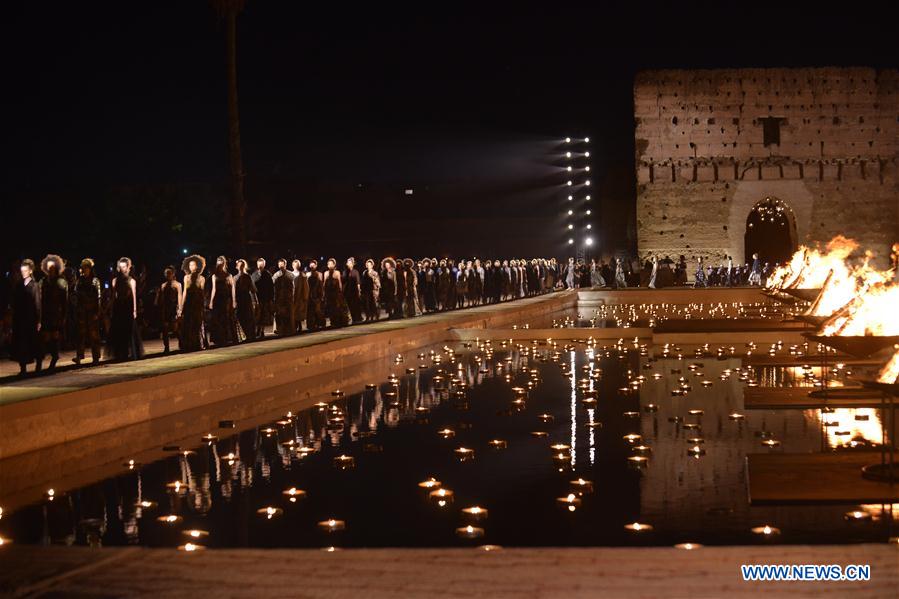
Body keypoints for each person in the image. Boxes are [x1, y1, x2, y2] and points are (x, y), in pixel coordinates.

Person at [108, 257, 144, 361]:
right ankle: (121, 354)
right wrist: (111, 308)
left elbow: (134, 296)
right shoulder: (115, 280)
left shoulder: (131, 280)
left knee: (129, 330)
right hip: (118, 307)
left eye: (124, 266)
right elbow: (113, 296)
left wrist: (134, 310)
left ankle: (131, 353)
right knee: (119, 331)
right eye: (120, 267)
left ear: (128, 267)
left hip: (128, 307)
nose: (122, 269)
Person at [11, 259, 41, 375]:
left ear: (30, 271)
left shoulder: (34, 285)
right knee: (21, 343)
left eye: (25, 270)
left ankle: (38, 364)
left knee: (33, 342)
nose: (23, 273)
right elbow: (14, 301)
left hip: (30, 318)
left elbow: (37, 303)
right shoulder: (18, 285)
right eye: (22, 270)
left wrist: (38, 320)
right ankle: (23, 368)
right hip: (20, 319)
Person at [37, 254, 67, 372]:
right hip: (45, 314)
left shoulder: (61, 282)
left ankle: (54, 358)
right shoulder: (43, 282)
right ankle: (40, 361)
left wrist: (63, 316)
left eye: (52, 267)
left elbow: (64, 301)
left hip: (55, 314)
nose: (50, 269)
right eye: (49, 267)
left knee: (54, 337)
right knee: (44, 338)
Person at [73, 258, 103, 364]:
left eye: (86, 268)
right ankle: (79, 356)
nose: (85, 270)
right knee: (80, 335)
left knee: (94, 335)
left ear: (90, 269)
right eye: (83, 268)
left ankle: (96, 357)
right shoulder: (79, 281)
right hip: (82, 311)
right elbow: (75, 295)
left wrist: (97, 311)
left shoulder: (95, 281)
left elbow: (98, 297)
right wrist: (77, 309)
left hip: (92, 311)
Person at [208, 256, 238, 347]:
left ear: (224, 263)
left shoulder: (228, 275)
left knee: (226, 317)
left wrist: (234, 300)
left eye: (221, 261)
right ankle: (219, 339)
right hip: (217, 299)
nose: (219, 263)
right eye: (218, 261)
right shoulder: (214, 276)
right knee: (217, 318)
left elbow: (232, 288)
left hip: (226, 298)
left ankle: (227, 338)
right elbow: (214, 289)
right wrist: (211, 301)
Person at [180, 254, 206, 352]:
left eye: (193, 265)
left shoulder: (201, 278)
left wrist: (202, 304)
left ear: (197, 266)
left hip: (197, 303)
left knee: (197, 323)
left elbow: (202, 292)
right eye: (190, 265)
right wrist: (181, 306)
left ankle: (199, 344)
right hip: (188, 303)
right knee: (188, 323)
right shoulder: (186, 277)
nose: (191, 267)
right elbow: (184, 292)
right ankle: (188, 345)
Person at [155, 266, 181, 354]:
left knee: (175, 328)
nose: (167, 275)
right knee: (165, 329)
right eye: (166, 274)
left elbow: (179, 296)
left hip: (174, 308)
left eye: (169, 273)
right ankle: (167, 347)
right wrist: (161, 309)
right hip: (166, 309)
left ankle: (181, 342)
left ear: (173, 274)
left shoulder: (177, 284)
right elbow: (161, 299)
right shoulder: (163, 285)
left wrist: (179, 308)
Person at [234, 259, 258, 342]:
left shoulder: (247, 277)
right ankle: (243, 335)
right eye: (239, 265)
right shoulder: (235, 278)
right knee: (241, 317)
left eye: (242, 265)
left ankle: (251, 335)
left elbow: (253, 290)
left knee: (249, 317)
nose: (240, 267)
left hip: (246, 299)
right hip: (239, 299)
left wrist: (256, 301)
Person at [271, 259, 295, 336]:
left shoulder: (290, 275)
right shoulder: (276, 275)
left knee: (288, 314)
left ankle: (289, 330)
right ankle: (279, 330)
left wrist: (292, 296)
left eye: (282, 264)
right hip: (279, 299)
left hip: (288, 298)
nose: (281, 266)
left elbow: (293, 287)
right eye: (280, 264)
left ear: (285, 265)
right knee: (279, 315)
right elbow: (273, 287)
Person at [323, 258, 349, 327]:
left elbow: (339, 282)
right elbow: (324, 283)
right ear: (327, 265)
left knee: (337, 307)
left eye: (332, 264)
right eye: (329, 264)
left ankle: (338, 321)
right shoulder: (326, 273)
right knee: (330, 308)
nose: (330, 265)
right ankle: (333, 321)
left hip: (336, 292)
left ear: (334, 265)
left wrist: (340, 292)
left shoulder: (337, 272)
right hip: (329, 293)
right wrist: (324, 292)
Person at [251, 258, 273, 338]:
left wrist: (270, 299)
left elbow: (271, 287)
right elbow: (252, 287)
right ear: (257, 265)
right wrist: (253, 299)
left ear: (264, 265)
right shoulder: (254, 275)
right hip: (256, 298)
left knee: (264, 315)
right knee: (257, 315)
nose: (260, 266)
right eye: (259, 264)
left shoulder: (267, 274)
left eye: (261, 264)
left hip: (265, 298)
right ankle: (257, 329)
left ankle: (262, 330)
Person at [306, 259, 325, 330]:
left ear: (316, 266)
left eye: (313, 265)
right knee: (310, 310)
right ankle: (311, 325)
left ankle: (319, 323)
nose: (312, 266)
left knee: (318, 310)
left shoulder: (319, 274)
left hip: (317, 294)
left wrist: (321, 295)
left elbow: (321, 285)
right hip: (309, 294)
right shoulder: (307, 274)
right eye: (311, 265)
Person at [291, 259, 309, 333]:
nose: (296, 266)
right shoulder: (290, 274)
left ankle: (299, 325)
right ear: (292, 266)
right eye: (295, 265)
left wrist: (305, 296)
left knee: (299, 311)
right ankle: (295, 325)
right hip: (292, 296)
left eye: (297, 265)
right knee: (293, 311)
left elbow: (306, 287)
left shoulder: (302, 275)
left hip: (300, 296)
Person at [344, 257, 363, 324]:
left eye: (350, 263)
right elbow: (344, 281)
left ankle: (357, 318)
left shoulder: (355, 271)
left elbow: (358, 282)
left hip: (354, 291)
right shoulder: (345, 272)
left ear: (352, 264)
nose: (348, 264)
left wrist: (359, 291)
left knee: (355, 305)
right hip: (347, 291)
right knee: (349, 305)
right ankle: (352, 318)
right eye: (348, 263)